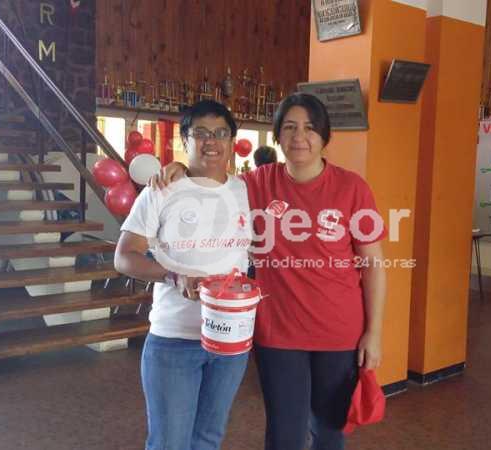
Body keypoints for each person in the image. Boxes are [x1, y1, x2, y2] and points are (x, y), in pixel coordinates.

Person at [154, 93, 387, 450]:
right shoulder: (256, 184)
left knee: (329, 434)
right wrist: (183, 170)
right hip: (278, 332)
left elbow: (373, 266)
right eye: (289, 127)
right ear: (277, 136)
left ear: (325, 136)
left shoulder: (352, 188)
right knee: (284, 436)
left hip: (339, 332)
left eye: (310, 128)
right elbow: (214, 182)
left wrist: (375, 332)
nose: (299, 137)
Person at [114, 100, 252, 450]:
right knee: (169, 443)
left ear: (232, 140)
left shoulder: (245, 190)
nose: (211, 142)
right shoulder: (162, 190)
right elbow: (124, 257)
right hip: (174, 338)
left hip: (231, 341)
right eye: (201, 133)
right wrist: (174, 276)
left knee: (208, 439)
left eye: (221, 133)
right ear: (185, 139)